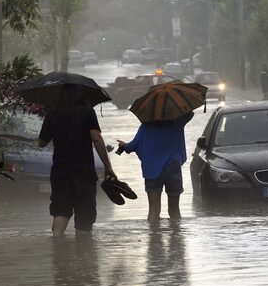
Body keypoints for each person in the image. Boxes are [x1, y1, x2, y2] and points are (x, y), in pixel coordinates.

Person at [39, 95, 116, 237]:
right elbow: (97, 139)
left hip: (60, 172)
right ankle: (84, 254)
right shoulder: (87, 112)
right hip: (84, 173)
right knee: (85, 214)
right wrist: (108, 166)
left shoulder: (53, 113)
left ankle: (57, 249)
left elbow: (42, 142)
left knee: (61, 209)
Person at [116, 112, 194, 222]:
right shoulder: (177, 123)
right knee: (174, 209)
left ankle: (154, 237)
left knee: (153, 209)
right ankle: (177, 237)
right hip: (173, 170)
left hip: (152, 172)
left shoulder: (145, 127)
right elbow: (190, 113)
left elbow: (131, 147)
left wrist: (124, 145)